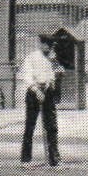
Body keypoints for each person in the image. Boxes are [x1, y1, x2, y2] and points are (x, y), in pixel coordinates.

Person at [19, 34, 61, 168]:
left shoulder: (51, 59)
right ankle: (26, 159)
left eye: (50, 46)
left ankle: (54, 159)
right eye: (46, 45)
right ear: (41, 44)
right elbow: (27, 76)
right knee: (30, 125)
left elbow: (52, 75)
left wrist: (48, 85)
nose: (48, 48)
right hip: (33, 92)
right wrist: (37, 91)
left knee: (51, 125)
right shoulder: (32, 57)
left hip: (47, 92)